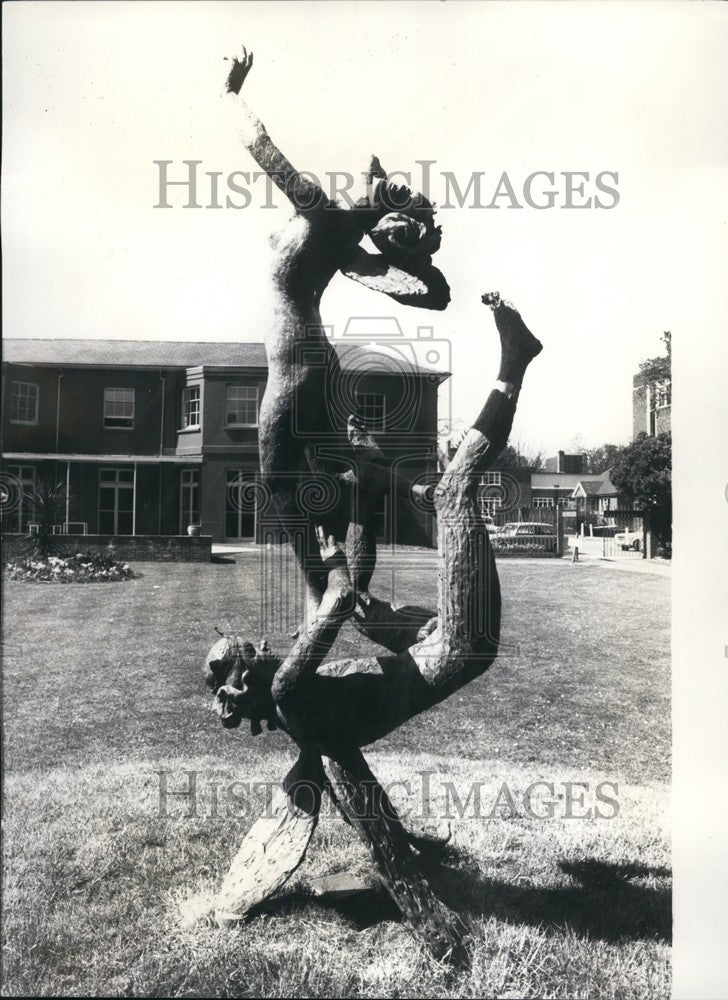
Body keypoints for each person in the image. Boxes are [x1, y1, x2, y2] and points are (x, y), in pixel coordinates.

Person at [205, 290, 542, 754]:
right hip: (462, 642)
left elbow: (342, 762)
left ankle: (515, 366)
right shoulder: (285, 692)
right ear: (239, 686)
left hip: (448, 645)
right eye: (250, 651)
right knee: (457, 485)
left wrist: (380, 826)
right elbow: (339, 595)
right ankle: (515, 364)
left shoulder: (300, 722)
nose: (261, 644)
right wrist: (333, 558)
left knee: (368, 606)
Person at [221, 47, 450, 652]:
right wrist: (418, 261)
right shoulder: (349, 246)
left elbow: (263, 149)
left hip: (296, 366)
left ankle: (334, 584)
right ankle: (342, 577)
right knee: (322, 477)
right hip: (312, 360)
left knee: (278, 480)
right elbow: (432, 296)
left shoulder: (322, 213)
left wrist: (231, 95)